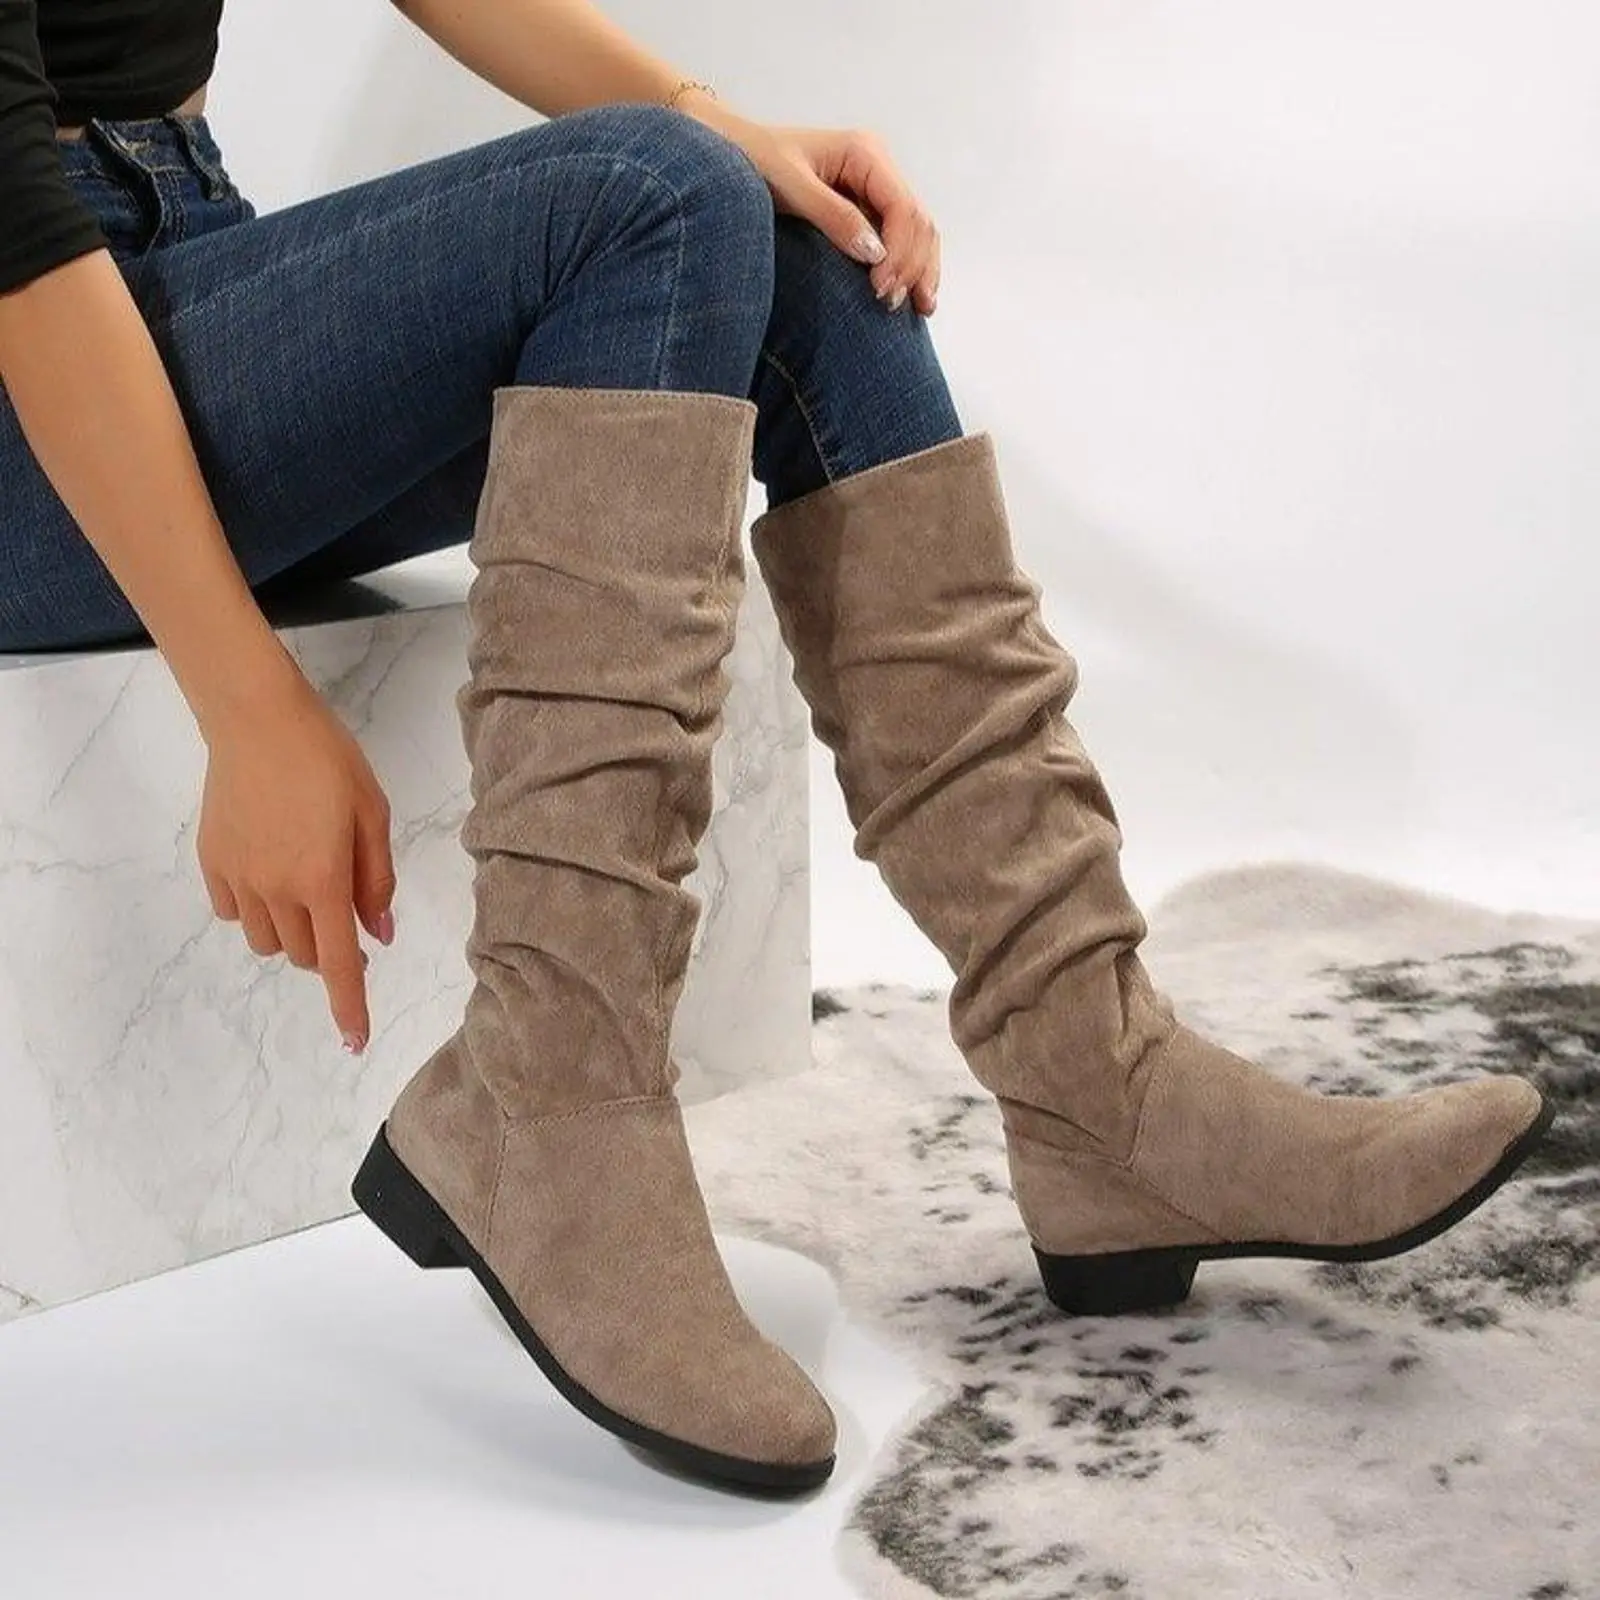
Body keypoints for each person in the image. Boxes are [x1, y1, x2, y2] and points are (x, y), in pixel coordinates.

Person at [0, 0, 1555, 1498]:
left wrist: (727, 123)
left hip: (184, 254)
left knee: (793, 236)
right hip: (30, 368)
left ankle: (1100, 1082)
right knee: (652, 191)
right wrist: (246, 700)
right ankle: (549, 1094)